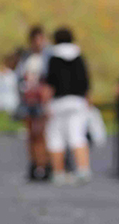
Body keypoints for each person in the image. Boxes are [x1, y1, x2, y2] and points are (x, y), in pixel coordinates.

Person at [44, 27, 91, 185]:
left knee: (55, 136)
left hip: (59, 101)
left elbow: (49, 83)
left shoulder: (53, 57)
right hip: (77, 101)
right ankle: (83, 169)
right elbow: (86, 81)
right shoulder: (79, 56)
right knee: (77, 135)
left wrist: (46, 104)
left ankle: (58, 172)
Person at [17, 26, 49, 181]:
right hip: (28, 100)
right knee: (30, 134)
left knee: (41, 134)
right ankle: (34, 163)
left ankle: (44, 164)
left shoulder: (48, 57)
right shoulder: (26, 57)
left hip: (42, 100)